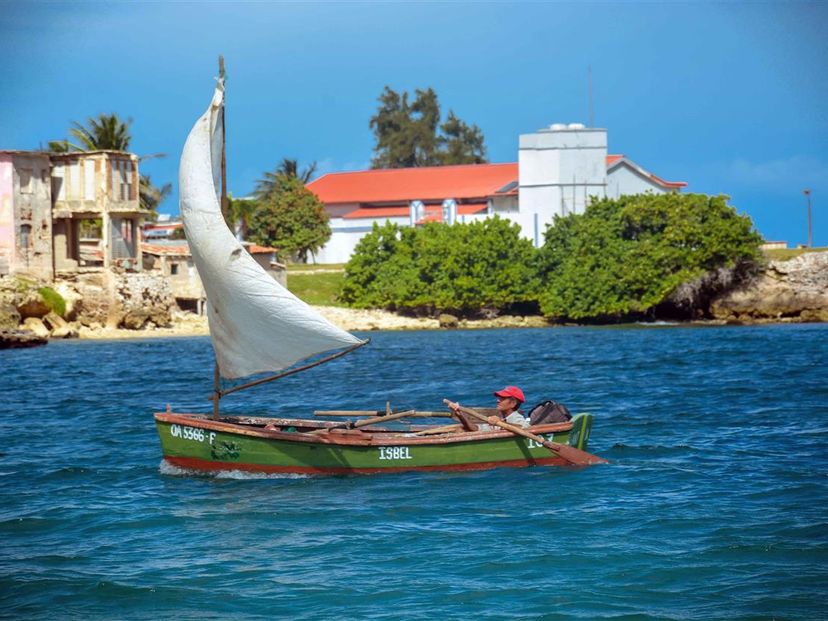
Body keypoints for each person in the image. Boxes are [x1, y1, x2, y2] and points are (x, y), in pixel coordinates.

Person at [447, 385, 530, 431]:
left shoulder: (516, 418)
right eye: (499, 398)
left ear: (513, 403)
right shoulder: (500, 419)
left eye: (502, 398)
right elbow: (476, 429)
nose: (498, 401)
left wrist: (501, 423)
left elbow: (526, 428)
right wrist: (460, 415)